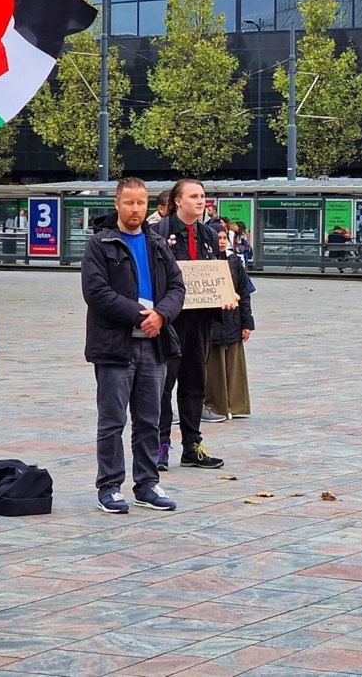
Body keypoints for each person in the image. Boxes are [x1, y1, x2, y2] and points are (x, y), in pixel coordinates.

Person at [82, 178, 186, 514]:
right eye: (129, 202)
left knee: (149, 419)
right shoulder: (101, 244)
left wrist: (162, 316)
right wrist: (140, 315)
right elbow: (96, 292)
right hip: (115, 346)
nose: (135, 209)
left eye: (141, 202)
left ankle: (147, 483)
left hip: (153, 345)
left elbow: (177, 288)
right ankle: (109, 486)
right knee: (112, 420)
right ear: (117, 204)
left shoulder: (157, 244)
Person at [154, 179, 234, 470]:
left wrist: (226, 294)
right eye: (195, 196)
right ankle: (160, 446)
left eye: (203, 196)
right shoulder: (158, 233)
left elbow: (218, 273)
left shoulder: (209, 235)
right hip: (171, 320)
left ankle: (192, 446)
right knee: (164, 385)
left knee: (194, 383)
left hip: (200, 320)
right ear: (178, 201)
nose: (201, 201)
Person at [205, 221, 255, 419]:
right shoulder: (205, 262)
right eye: (219, 239)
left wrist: (247, 323)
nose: (223, 242)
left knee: (235, 365)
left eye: (225, 238)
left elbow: (244, 292)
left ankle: (236, 404)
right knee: (214, 366)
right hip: (211, 323)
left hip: (232, 320)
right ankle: (215, 405)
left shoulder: (234, 261)